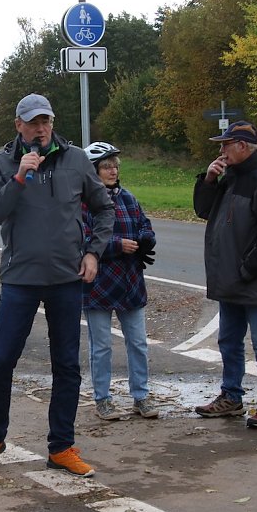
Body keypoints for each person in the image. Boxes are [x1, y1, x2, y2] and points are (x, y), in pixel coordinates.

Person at [0, 93, 114, 477]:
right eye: (33, 122)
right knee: (1, 360)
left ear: (52, 123)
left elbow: (104, 208)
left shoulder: (76, 159)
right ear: (19, 125)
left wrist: (94, 253)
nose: (41, 128)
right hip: (20, 279)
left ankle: (61, 447)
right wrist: (19, 177)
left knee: (66, 365)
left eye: (45, 121)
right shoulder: (0, 163)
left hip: (66, 279)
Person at [192, 121, 257, 428]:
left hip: (253, 280)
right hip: (229, 279)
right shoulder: (229, 176)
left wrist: (247, 269)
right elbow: (203, 211)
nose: (221, 151)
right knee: (229, 341)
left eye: (226, 144)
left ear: (243, 146)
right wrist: (208, 180)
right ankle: (231, 397)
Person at [81, 142, 158, 421]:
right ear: (93, 171)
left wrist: (145, 240)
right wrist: (116, 245)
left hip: (130, 281)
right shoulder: (83, 203)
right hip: (98, 284)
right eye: (106, 166)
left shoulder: (128, 198)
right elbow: (82, 240)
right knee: (101, 346)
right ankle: (103, 399)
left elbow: (145, 225)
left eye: (115, 166)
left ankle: (141, 396)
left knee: (138, 342)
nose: (113, 171)